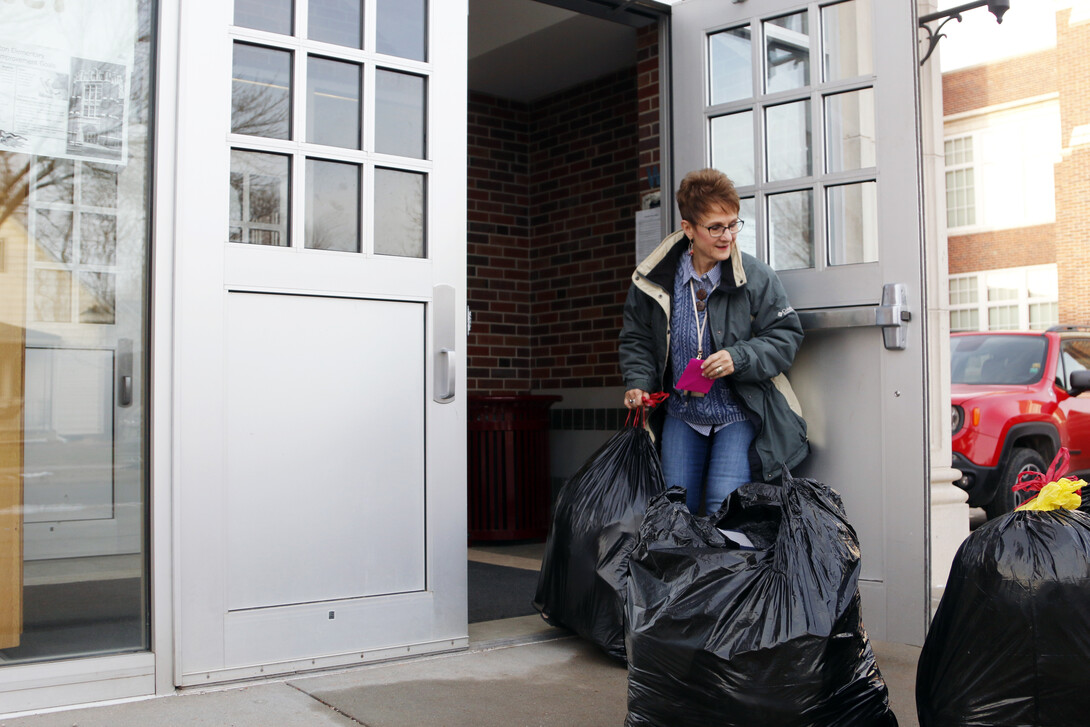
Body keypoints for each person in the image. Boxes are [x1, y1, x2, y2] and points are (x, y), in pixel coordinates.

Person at [619, 168, 808, 513]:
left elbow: (786, 336)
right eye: (716, 227)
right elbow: (637, 339)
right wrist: (638, 384)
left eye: (733, 224)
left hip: (737, 412)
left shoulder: (756, 276)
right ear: (688, 228)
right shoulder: (654, 280)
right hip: (680, 412)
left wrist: (740, 357)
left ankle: (723, 569)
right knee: (675, 510)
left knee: (723, 508)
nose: (728, 236)